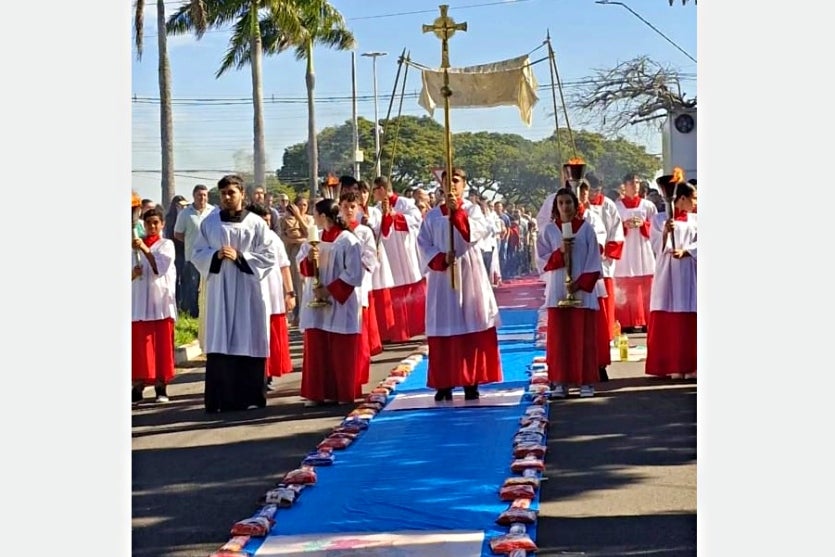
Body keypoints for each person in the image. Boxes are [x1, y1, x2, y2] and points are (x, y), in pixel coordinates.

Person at [191, 175, 277, 413]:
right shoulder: (210, 223)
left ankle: (249, 398)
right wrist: (214, 256)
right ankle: (221, 400)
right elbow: (196, 253)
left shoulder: (256, 223)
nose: (227, 197)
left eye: (232, 192)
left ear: (242, 194)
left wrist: (241, 257)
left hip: (247, 290)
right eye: (223, 193)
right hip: (219, 290)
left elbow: (269, 256)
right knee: (221, 339)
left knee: (247, 335)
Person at [417, 168, 503, 401]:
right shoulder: (433, 216)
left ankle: (470, 380)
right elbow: (423, 244)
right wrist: (439, 258)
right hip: (442, 277)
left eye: (456, 181)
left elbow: (474, 233)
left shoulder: (473, 210)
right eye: (447, 181)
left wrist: (458, 213)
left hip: (468, 273)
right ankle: (443, 382)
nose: (451, 185)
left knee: (470, 321)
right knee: (444, 323)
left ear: (464, 184)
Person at [297, 198, 365, 406]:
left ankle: (342, 392)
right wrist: (309, 259)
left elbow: (354, 273)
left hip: (338, 301)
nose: (312, 217)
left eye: (315, 214)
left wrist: (329, 291)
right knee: (317, 347)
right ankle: (317, 392)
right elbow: (302, 268)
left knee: (340, 348)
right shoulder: (313, 238)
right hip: (316, 299)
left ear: (324, 216)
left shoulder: (348, 240)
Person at [536, 187, 602, 398]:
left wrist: (579, 283)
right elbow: (541, 261)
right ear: (556, 206)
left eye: (569, 202)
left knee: (583, 338)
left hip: (581, 291)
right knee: (560, 339)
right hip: (558, 290)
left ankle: (586, 381)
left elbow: (594, 261)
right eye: (561, 203)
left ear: (575, 205)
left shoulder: (586, 229)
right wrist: (560, 253)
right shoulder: (548, 231)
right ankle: (560, 381)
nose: (565, 207)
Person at [645, 177, 697, 379]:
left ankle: (691, 366)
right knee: (669, 317)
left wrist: (688, 251)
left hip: (689, 273)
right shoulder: (659, 219)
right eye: (693, 198)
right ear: (681, 198)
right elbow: (655, 246)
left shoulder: (696, 220)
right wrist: (665, 233)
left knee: (689, 318)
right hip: (667, 272)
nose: (696, 203)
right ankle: (672, 365)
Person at [132, 207, 178, 404]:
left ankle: (161, 387)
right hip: (139, 304)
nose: (152, 227)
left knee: (161, 348)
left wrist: (143, 248)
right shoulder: (132, 247)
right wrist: (133, 273)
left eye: (155, 223)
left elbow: (160, 267)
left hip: (160, 305)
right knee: (140, 348)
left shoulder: (166, 244)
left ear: (162, 224)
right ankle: (138, 386)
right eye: (148, 223)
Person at [372, 176, 426, 342]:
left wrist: (394, 215)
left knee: (412, 288)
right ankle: (396, 331)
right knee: (393, 290)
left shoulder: (405, 203)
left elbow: (416, 220)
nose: (373, 195)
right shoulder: (376, 208)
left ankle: (417, 326)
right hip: (388, 254)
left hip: (405, 251)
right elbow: (377, 229)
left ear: (381, 189)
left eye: (374, 190)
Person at [247, 203, 296, 384]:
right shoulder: (245, 239)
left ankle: (269, 374)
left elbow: (284, 266)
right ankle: (256, 374)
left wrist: (290, 292)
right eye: (262, 220)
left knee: (272, 333)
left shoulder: (274, 238)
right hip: (252, 293)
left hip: (273, 292)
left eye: (268, 220)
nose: (266, 224)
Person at [339, 190, 380, 388]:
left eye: (352, 207)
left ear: (359, 208)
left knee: (358, 331)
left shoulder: (364, 231)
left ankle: (360, 373)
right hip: (338, 284)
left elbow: (372, 257)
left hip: (358, 285)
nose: (348, 210)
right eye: (345, 206)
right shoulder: (335, 231)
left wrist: (356, 261)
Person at [612, 173, 657, 332]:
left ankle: (646, 320)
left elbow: (656, 228)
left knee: (645, 283)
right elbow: (613, 229)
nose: (635, 185)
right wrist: (625, 225)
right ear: (624, 185)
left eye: (637, 182)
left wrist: (643, 224)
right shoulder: (617, 207)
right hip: (625, 251)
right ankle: (625, 322)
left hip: (642, 249)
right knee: (625, 284)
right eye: (631, 183)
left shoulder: (648, 206)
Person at [173, 184, 215, 326]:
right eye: (199, 195)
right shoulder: (185, 213)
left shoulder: (213, 212)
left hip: (210, 257)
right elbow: (177, 233)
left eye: (204, 195)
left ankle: (208, 314)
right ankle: (193, 315)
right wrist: (192, 241)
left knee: (209, 287)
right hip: (192, 257)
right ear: (194, 196)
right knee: (192, 286)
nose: (202, 198)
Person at [278, 195, 314, 326]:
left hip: (304, 253)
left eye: (305, 205)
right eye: (299, 205)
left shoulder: (309, 219)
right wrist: (296, 240)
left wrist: (299, 217)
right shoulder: (285, 220)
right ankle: (293, 313)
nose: (302, 208)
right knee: (292, 282)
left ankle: (303, 314)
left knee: (302, 284)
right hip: (291, 253)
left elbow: (310, 234)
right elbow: (282, 236)